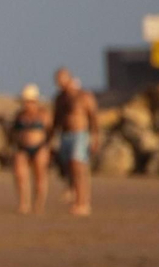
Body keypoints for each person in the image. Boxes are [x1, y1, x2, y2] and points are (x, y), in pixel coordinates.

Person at [52, 67, 100, 217]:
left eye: (62, 79)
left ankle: (83, 203)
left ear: (69, 79)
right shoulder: (60, 98)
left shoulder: (83, 96)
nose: (60, 83)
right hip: (65, 136)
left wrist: (95, 137)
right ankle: (75, 197)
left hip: (80, 135)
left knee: (79, 167)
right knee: (69, 169)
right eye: (57, 80)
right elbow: (56, 119)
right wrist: (52, 138)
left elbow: (93, 117)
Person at [9, 84, 50, 214]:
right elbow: (13, 132)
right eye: (25, 101)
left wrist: (46, 147)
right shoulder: (20, 115)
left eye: (30, 101)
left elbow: (50, 131)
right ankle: (23, 204)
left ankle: (38, 204)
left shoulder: (43, 114)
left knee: (39, 177)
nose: (27, 104)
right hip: (22, 147)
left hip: (40, 147)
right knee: (20, 176)